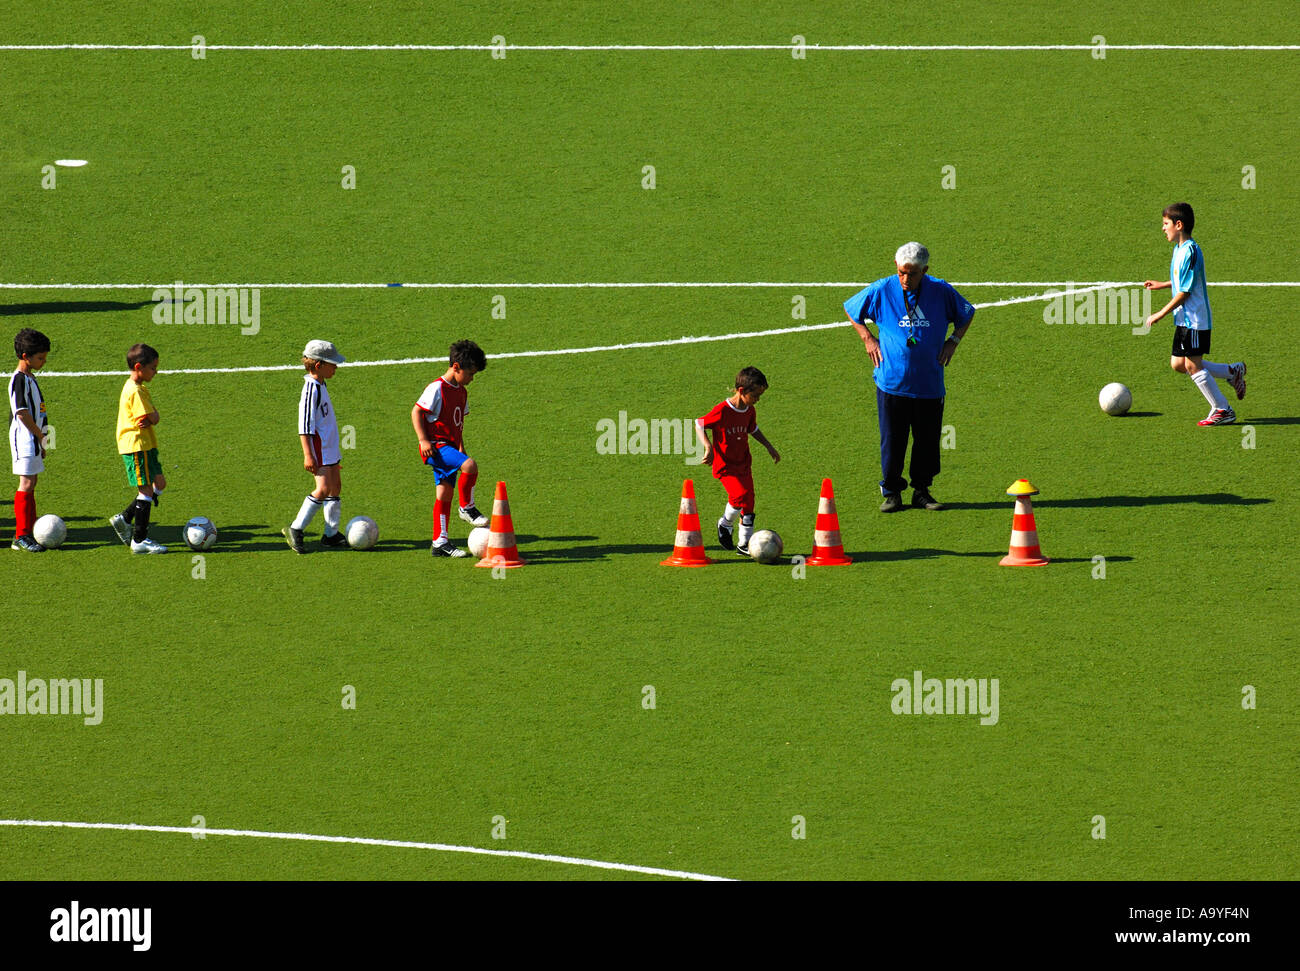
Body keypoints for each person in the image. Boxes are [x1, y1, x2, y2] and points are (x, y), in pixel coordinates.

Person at [844, 242, 975, 512]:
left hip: (929, 384)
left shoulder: (940, 291)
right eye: (902, 272)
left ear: (924, 270)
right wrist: (867, 338)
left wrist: (953, 341)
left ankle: (921, 491)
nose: (906, 279)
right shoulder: (882, 289)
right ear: (896, 267)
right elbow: (851, 308)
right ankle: (892, 492)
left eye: (912, 273)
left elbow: (966, 313)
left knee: (927, 440)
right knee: (893, 439)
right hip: (892, 383)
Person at [1142, 202, 1246, 425]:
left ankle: (1223, 409)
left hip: (1195, 321)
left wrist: (1159, 313)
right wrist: (1162, 284)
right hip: (1184, 319)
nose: (1163, 228)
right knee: (1178, 364)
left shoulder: (1190, 251)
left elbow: (1185, 292)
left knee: (1192, 365)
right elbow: (1183, 280)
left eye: (1165, 224)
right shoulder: (1179, 249)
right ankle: (1232, 371)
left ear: (1178, 225)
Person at [412, 339, 489, 558]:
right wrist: (423, 440)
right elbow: (416, 412)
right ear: (456, 367)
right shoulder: (437, 387)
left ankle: (440, 542)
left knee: (444, 494)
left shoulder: (461, 392)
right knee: (470, 466)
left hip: (450, 446)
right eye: (470, 373)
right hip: (436, 446)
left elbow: (458, 426)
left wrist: (461, 447)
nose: (472, 379)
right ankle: (467, 507)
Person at [695, 366, 780, 554]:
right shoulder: (722, 410)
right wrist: (708, 447)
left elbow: (753, 429)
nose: (757, 400)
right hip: (725, 465)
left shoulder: (749, 411)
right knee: (739, 496)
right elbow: (699, 424)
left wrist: (769, 446)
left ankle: (744, 544)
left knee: (749, 502)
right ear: (741, 391)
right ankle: (725, 523)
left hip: (743, 463)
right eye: (755, 395)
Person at [283, 340, 348, 553]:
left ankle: (330, 534)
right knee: (322, 489)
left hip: (329, 447)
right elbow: (305, 424)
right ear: (319, 365)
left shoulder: (320, 384)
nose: (336, 367)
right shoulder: (311, 389)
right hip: (319, 448)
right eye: (332, 363)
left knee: (335, 487)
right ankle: (296, 528)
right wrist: (308, 455)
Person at [109, 343, 168, 553]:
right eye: (152, 367)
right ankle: (139, 540)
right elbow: (151, 417)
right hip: (136, 445)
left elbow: (152, 417)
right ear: (138, 367)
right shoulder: (135, 391)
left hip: (147, 444)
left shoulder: (140, 388)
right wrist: (154, 416)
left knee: (159, 484)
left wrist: (153, 417)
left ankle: (125, 518)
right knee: (145, 490)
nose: (156, 371)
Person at [9, 328, 51, 552]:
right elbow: (22, 413)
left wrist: (42, 441)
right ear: (25, 357)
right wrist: (39, 435)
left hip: (34, 439)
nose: (43, 362)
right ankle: (21, 535)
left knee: (32, 483)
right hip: (24, 439)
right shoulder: (18, 380)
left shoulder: (30, 378)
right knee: (25, 484)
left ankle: (30, 529)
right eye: (40, 358)